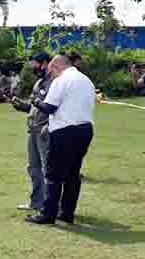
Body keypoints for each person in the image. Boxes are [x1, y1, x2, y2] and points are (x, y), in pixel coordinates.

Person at [25, 55, 95, 225]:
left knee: (53, 174)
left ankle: (48, 213)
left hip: (65, 131)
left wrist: (35, 101)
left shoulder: (61, 80)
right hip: (85, 129)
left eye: (52, 71)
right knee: (72, 174)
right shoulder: (86, 80)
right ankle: (67, 212)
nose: (51, 74)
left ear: (56, 67)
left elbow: (49, 107)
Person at [11, 51, 53, 212]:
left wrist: (48, 125)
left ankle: (49, 206)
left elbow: (55, 108)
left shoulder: (55, 83)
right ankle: (36, 202)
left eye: (35, 64)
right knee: (33, 168)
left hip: (45, 131)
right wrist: (22, 106)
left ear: (45, 63)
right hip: (33, 130)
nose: (33, 67)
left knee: (46, 169)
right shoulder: (39, 83)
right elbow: (35, 107)